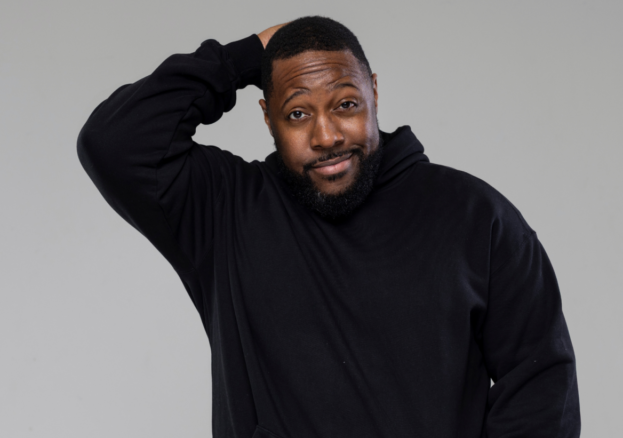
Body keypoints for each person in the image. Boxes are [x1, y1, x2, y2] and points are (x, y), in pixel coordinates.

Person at [76, 15, 581, 438]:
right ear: (268, 117)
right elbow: (114, 142)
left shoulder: (475, 216)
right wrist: (242, 59)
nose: (327, 135)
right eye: (297, 113)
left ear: (373, 92)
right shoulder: (225, 210)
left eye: (345, 104)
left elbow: (541, 387)